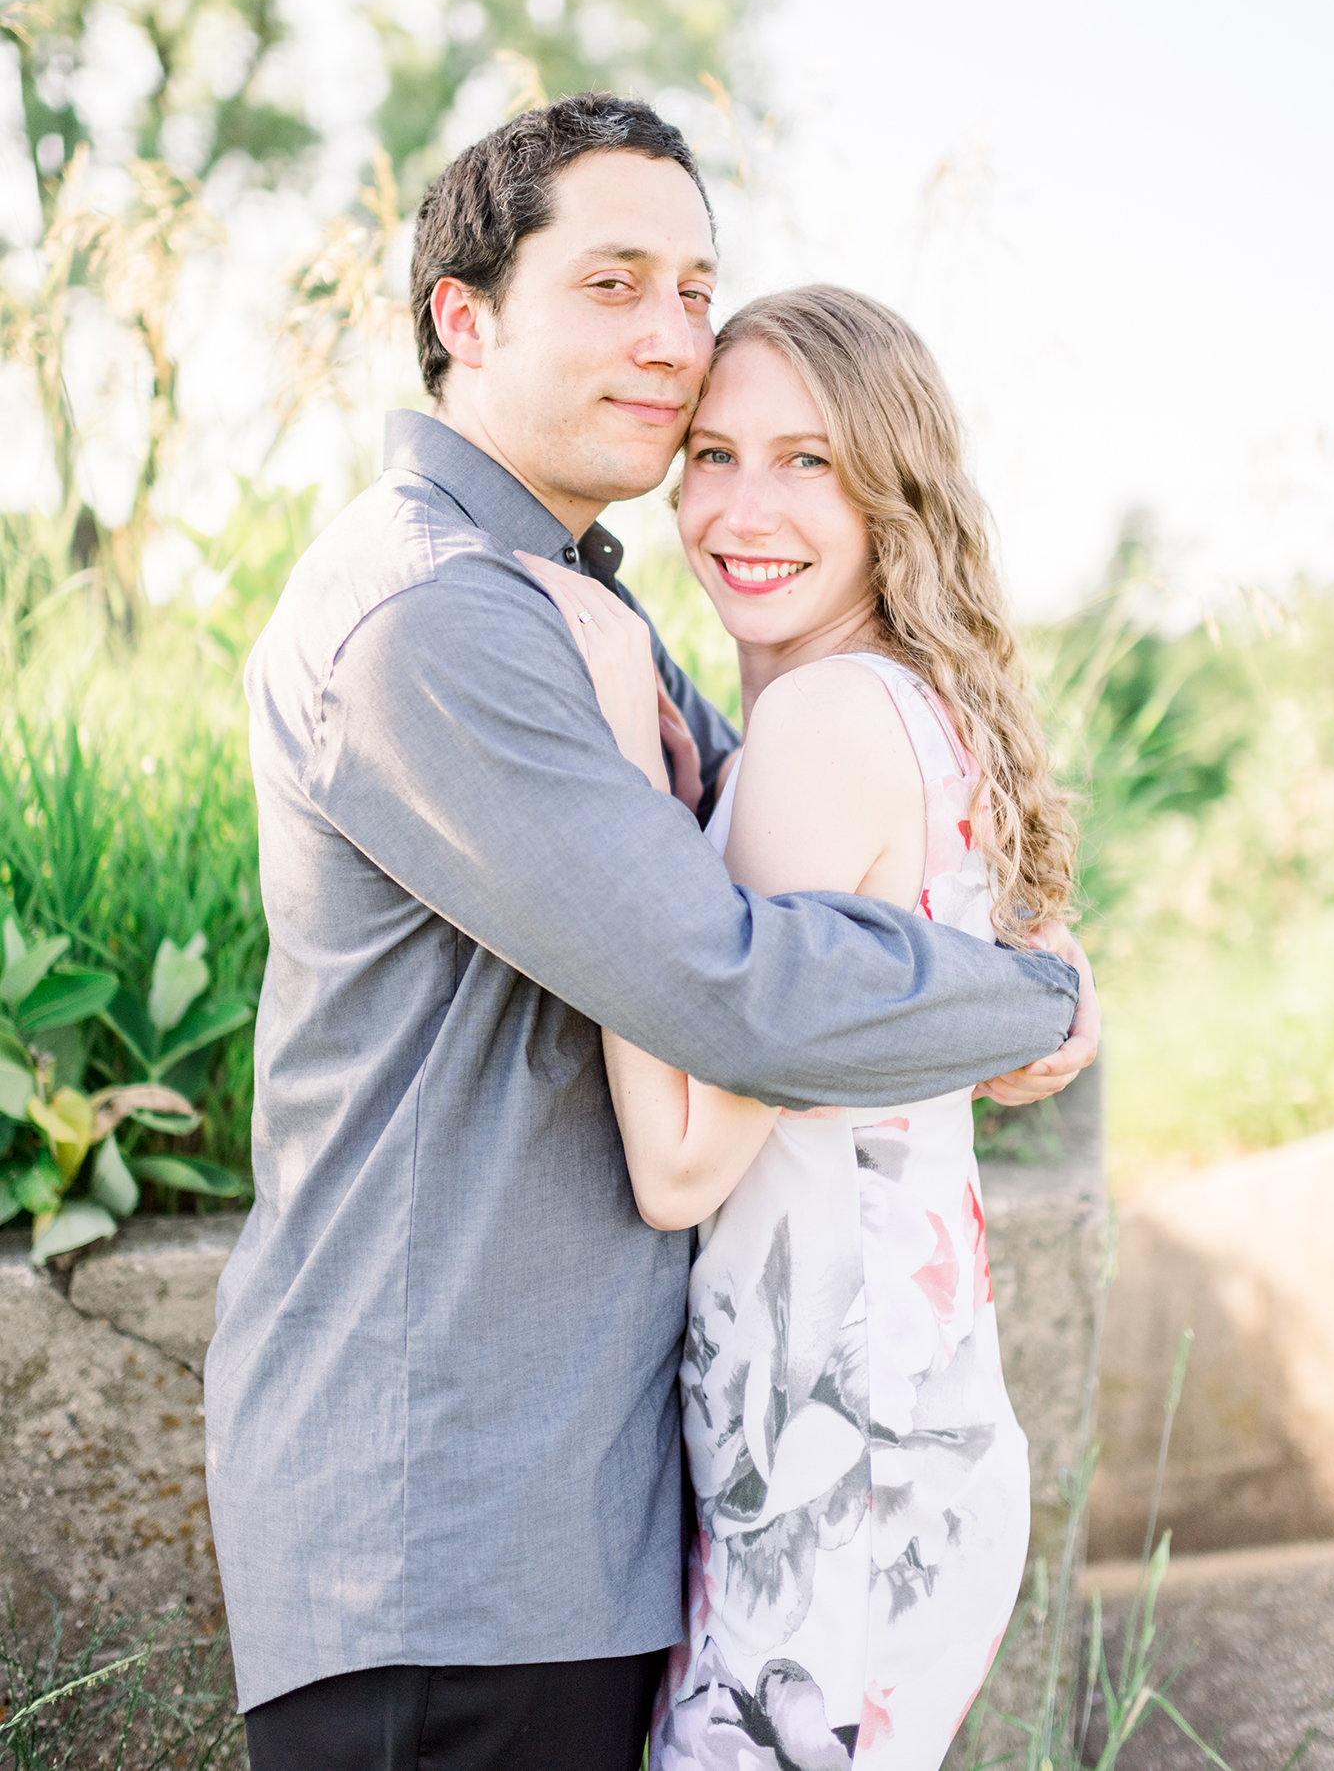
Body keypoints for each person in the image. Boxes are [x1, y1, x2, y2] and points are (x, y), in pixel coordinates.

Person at [205, 94, 1097, 1771]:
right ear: (462, 318)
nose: (672, 337)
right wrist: (1024, 995)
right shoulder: (438, 616)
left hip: (571, 1527)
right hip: (444, 1535)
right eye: (613, 283)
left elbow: (797, 855)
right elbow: (728, 982)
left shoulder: (572, 603)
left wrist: (1019, 964)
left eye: (695, 288)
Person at [524, 284, 1078, 1768]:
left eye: (807, 461)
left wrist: (612, 791)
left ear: (891, 485)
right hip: (881, 1437)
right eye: (710, 454)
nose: (740, 507)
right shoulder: (906, 703)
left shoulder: (825, 720)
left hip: (837, 1475)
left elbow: (686, 1165)